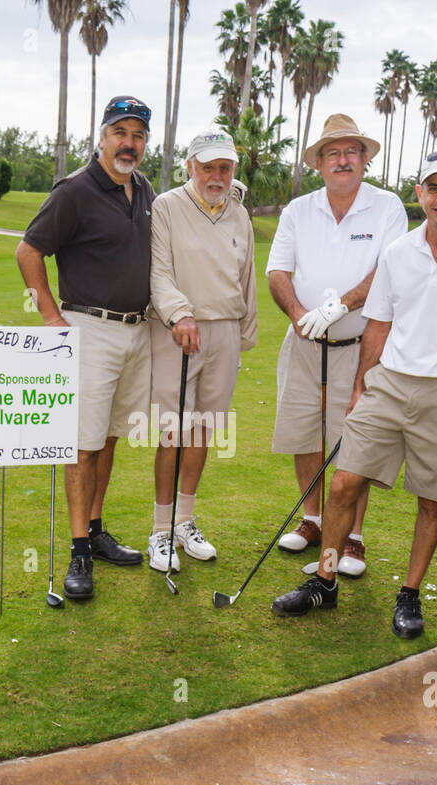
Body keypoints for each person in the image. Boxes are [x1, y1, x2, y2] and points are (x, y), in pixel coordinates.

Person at [271, 148, 437, 637]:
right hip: (388, 382)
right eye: (433, 188)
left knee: (430, 500)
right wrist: (361, 384)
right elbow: (379, 324)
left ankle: (409, 593)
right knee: (344, 483)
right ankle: (325, 578)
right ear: (419, 194)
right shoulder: (398, 252)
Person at [15, 95, 154, 601]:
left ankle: (95, 531)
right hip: (88, 329)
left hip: (136, 333)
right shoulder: (74, 190)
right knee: (81, 444)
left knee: (110, 437)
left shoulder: (143, 188)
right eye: (120, 132)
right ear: (101, 136)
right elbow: (28, 251)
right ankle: (77, 549)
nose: (129, 143)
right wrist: (50, 317)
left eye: (138, 136)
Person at [266, 114, 407, 579]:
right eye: (333, 153)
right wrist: (299, 316)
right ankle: (314, 520)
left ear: (364, 159)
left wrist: (339, 306)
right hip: (305, 342)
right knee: (305, 430)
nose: (342, 160)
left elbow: (386, 274)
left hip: (361, 342)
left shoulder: (387, 208)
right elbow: (278, 272)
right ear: (320, 163)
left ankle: (353, 537)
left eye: (351, 152)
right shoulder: (298, 210)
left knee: (356, 441)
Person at [145, 127, 258, 572]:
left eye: (224, 167)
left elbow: (246, 279)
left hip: (224, 332)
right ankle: (160, 530)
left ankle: (185, 522)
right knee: (173, 430)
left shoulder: (238, 214)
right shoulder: (167, 207)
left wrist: (242, 335)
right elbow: (158, 272)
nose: (216, 175)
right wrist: (179, 314)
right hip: (177, 331)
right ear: (190, 167)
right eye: (207, 166)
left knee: (204, 430)